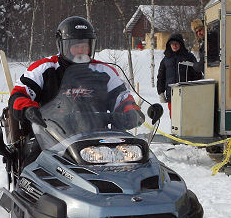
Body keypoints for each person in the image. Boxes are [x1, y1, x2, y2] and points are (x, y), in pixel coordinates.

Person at [9, 16, 145, 135]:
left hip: (96, 136)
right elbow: (19, 94)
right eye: (75, 47)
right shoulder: (44, 68)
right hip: (50, 136)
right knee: (34, 163)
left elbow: (121, 98)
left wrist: (131, 111)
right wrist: (28, 109)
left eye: (84, 47)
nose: (81, 51)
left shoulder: (105, 71)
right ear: (62, 46)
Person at [156, 33, 200, 114]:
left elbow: (197, 75)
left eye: (176, 43)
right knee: (174, 120)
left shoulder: (189, 57)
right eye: (172, 44)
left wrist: (197, 91)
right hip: (172, 96)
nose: (174, 46)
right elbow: (161, 77)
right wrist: (160, 92)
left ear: (181, 44)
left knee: (187, 119)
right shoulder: (166, 60)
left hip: (187, 95)